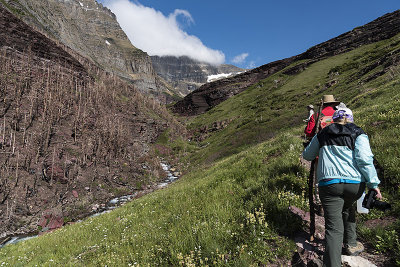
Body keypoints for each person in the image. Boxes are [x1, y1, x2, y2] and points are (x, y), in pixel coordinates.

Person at [302, 106, 382, 267]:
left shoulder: (322, 134)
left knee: (333, 228)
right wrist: (374, 184)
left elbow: (307, 155)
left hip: (329, 185)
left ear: (334, 119)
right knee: (347, 207)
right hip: (354, 185)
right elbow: (365, 160)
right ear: (351, 119)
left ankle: (333, 263)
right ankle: (352, 244)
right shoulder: (359, 133)